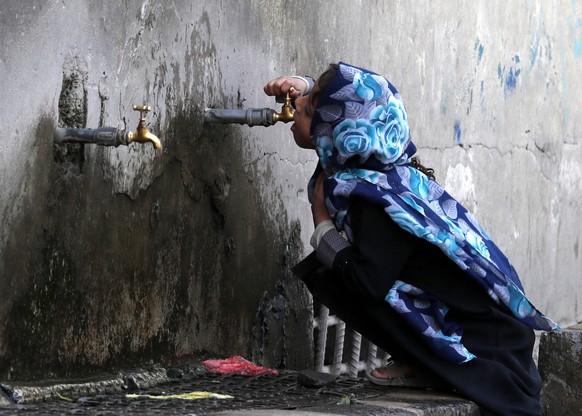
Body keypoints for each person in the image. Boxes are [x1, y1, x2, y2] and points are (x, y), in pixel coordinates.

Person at [264, 62, 558, 415]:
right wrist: (306, 85)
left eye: (308, 109)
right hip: (498, 334)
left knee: (335, 274)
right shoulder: (388, 173)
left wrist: (322, 224)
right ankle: (422, 360)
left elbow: (367, 284)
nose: (297, 108)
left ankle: (430, 360)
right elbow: (356, 97)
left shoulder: (374, 201)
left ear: (335, 136)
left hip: (486, 350)